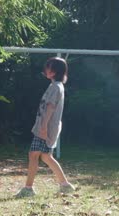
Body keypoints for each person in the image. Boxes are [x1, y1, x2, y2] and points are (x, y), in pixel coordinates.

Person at [16, 57, 75, 197]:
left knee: (33, 154)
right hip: (47, 127)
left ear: (55, 71)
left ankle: (28, 189)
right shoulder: (55, 86)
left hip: (46, 127)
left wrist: (43, 128)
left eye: (48, 67)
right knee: (46, 157)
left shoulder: (55, 87)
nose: (45, 69)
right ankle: (65, 185)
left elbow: (50, 107)